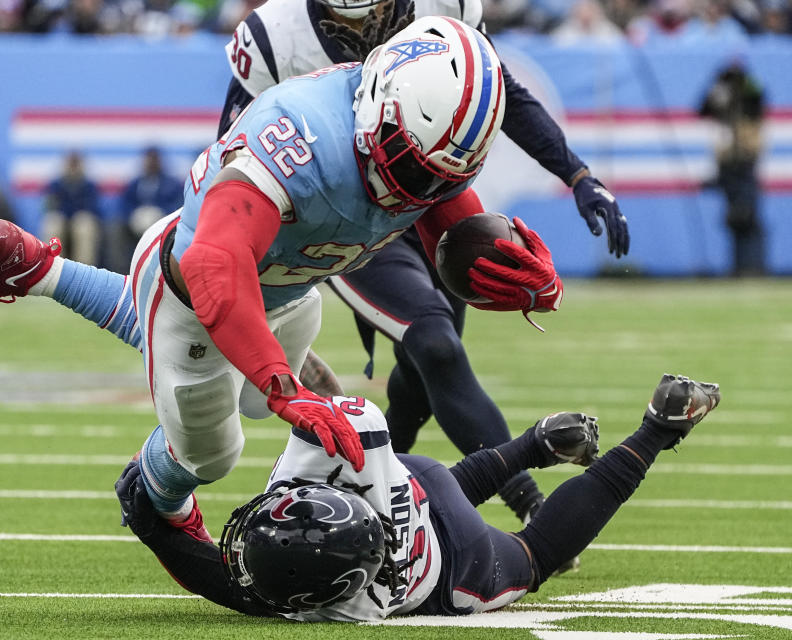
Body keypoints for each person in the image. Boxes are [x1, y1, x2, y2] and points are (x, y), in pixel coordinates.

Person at [0, 18, 560, 542]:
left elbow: (443, 203)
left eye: (436, 178)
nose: (413, 191)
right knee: (211, 455)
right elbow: (214, 265)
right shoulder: (300, 136)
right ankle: (149, 496)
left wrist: (493, 262)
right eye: (412, 168)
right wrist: (281, 389)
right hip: (198, 294)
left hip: (286, 286)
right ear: (380, 105)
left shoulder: (414, 138)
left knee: (293, 401)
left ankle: (36, 266)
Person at [220, 0, 629, 536]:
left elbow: (498, 90)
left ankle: (370, 500)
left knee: (418, 380)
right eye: (341, 19)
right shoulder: (275, 34)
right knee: (436, 346)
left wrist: (576, 173)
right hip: (345, 214)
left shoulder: (448, 6)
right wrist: (271, 294)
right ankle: (526, 499)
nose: (361, 28)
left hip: (436, 191)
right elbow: (232, 162)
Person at [115, 373, 720, 620]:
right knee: (451, 492)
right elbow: (199, 564)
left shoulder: (318, 605)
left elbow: (203, 569)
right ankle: (551, 443)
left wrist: (151, 510)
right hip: (423, 508)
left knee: (534, 556)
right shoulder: (335, 465)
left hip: (446, 564)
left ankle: (655, 430)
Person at [698, 60, 766, 276]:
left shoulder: (751, 94)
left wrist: (742, 81)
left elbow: (757, 101)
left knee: (748, 215)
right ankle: (738, 267)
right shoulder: (721, 98)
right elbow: (702, 110)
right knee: (733, 218)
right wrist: (719, 87)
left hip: (746, 160)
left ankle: (753, 265)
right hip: (727, 161)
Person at [117, 146, 184, 271]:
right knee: (116, 228)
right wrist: (133, 215)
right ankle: (124, 268)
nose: (151, 162)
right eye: (149, 159)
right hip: (135, 223)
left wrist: (160, 215)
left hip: (162, 223)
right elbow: (125, 204)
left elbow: (177, 205)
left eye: (154, 159)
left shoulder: (171, 183)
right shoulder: (135, 183)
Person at [43, 150, 104, 265]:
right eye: (71, 163)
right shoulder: (55, 185)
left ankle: (85, 269)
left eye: (76, 163)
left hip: (80, 224)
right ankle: (52, 265)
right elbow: (48, 207)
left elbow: (95, 210)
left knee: (84, 223)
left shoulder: (89, 186)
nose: (73, 167)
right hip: (62, 222)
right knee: (53, 222)